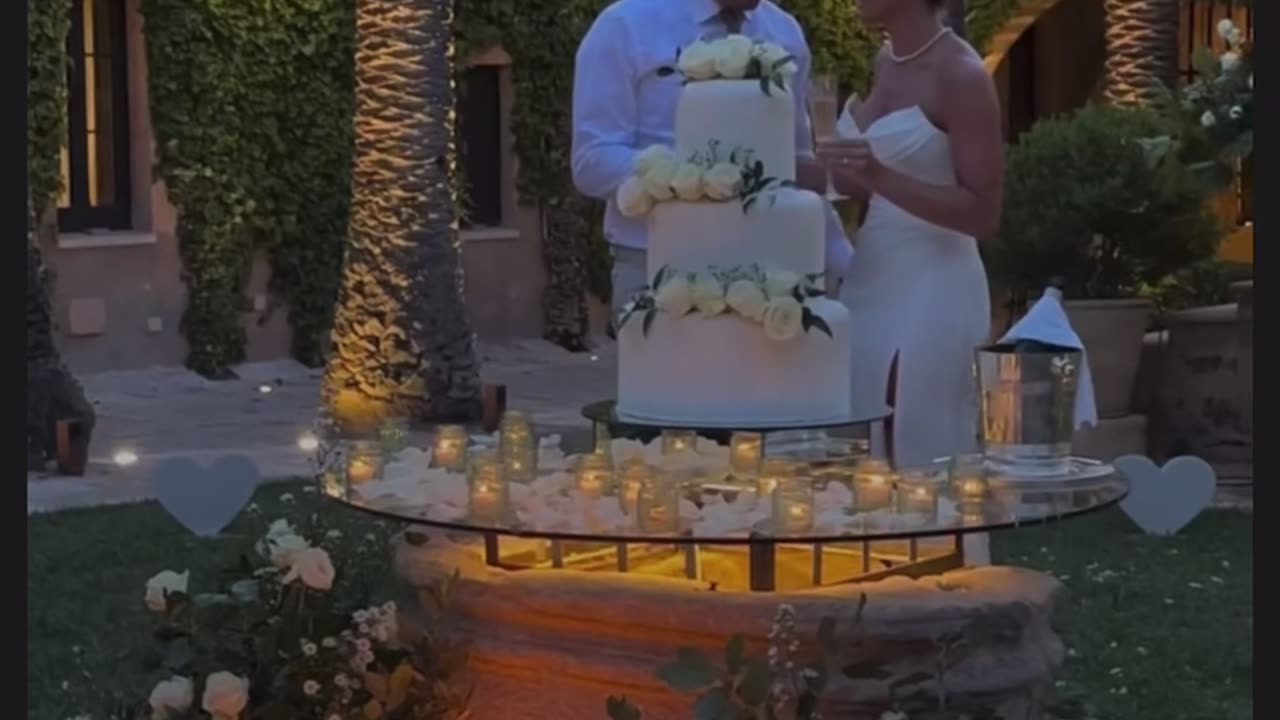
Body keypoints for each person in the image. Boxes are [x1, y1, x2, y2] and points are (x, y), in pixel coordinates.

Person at [811, 0, 1003, 560]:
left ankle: (947, 584)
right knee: (866, 450)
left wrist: (876, 174)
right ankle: (877, 582)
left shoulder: (962, 75)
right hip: (874, 274)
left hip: (936, 278)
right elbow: (860, 185)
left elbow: (984, 213)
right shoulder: (886, 59)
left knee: (918, 441)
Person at [570, 0, 854, 327]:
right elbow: (592, 160)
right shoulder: (625, 25)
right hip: (661, 267)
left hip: (771, 275)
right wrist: (696, 176)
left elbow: (794, 159)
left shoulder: (784, 31)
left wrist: (841, 252)